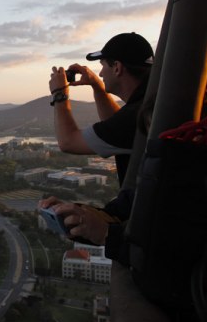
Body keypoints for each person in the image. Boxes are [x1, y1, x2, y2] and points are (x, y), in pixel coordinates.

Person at [41, 32, 153, 246]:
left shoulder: (138, 115)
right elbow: (119, 127)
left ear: (118, 68)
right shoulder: (151, 101)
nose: (100, 73)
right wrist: (97, 87)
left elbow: (68, 142)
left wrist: (59, 94)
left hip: (147, 227)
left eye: (103, 66)